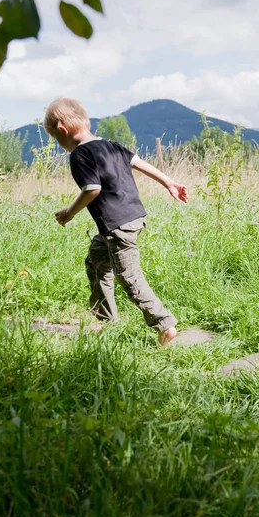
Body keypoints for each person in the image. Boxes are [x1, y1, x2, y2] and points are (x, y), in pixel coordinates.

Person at [44, 97, 188, 346]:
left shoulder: (80, 155)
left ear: (62, 129)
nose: (59, 145)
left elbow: (92, 189)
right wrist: (169, 182)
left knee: (129, 278)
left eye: (56, 139)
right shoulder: (111, 145)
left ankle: (164, 324)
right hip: (131, 218)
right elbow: (140, 164)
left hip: (118, 226)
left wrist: (69, 212)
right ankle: (106, 321)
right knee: (97, 261)